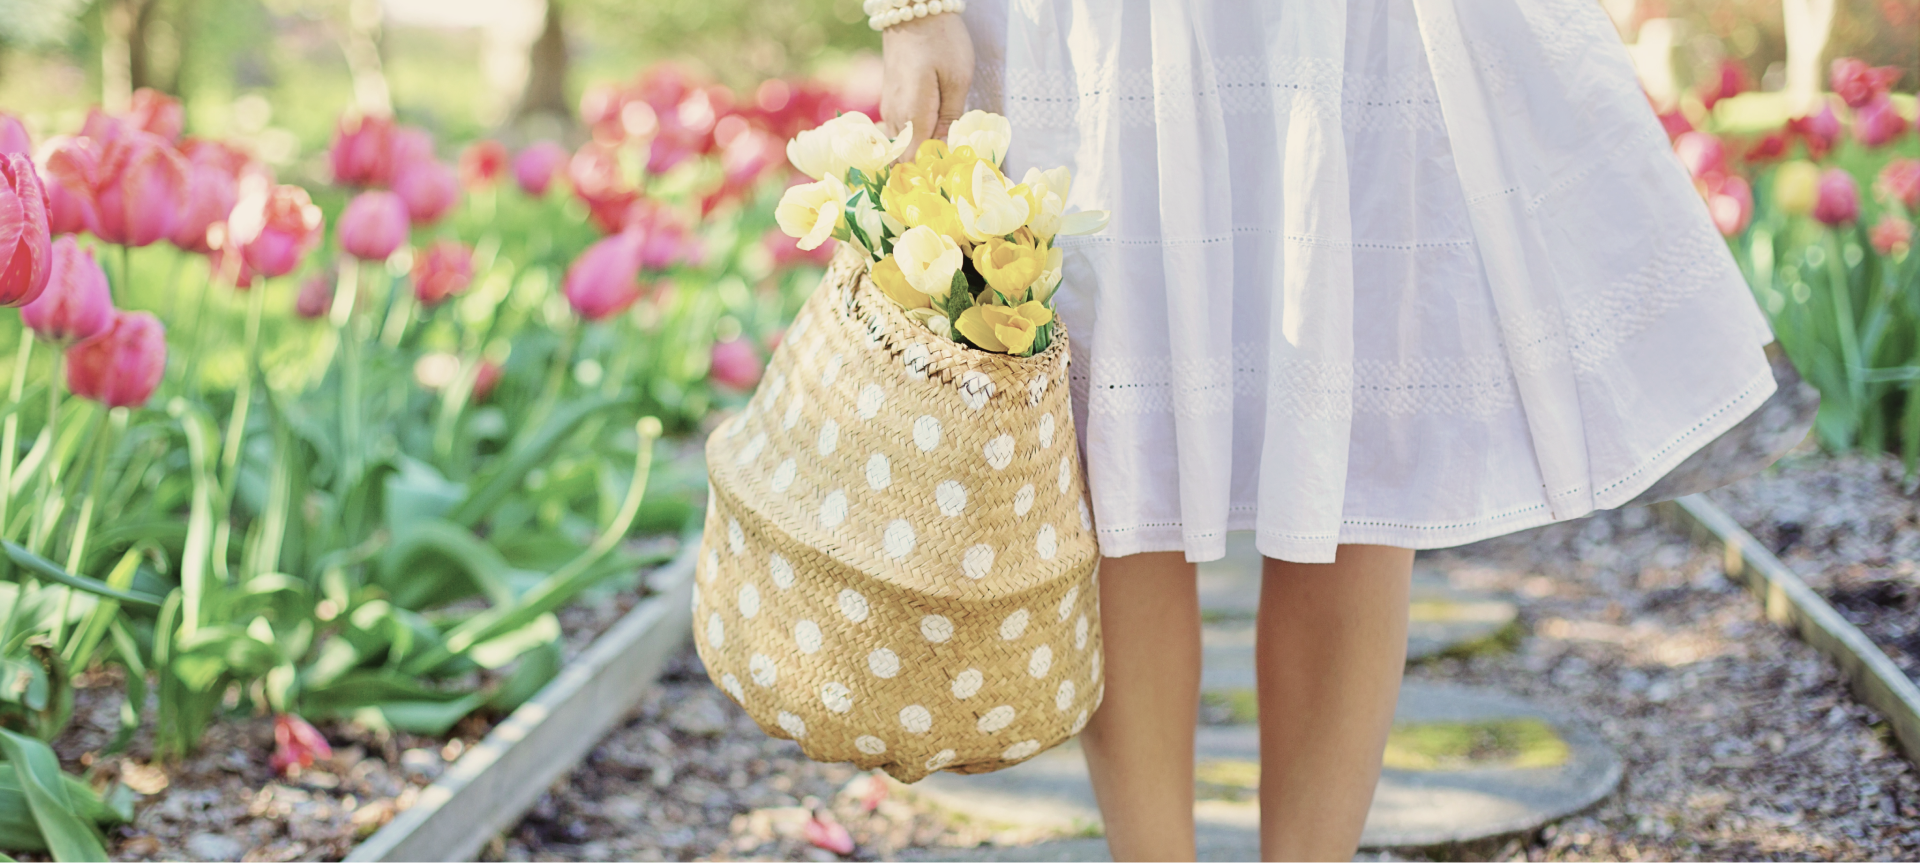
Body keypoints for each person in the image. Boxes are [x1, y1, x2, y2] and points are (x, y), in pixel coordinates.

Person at [873, 1, 1777, 861]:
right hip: (1099, 27)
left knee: (1351, 439)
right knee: (1116, 442)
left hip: (1347, 28)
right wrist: (912, 10)